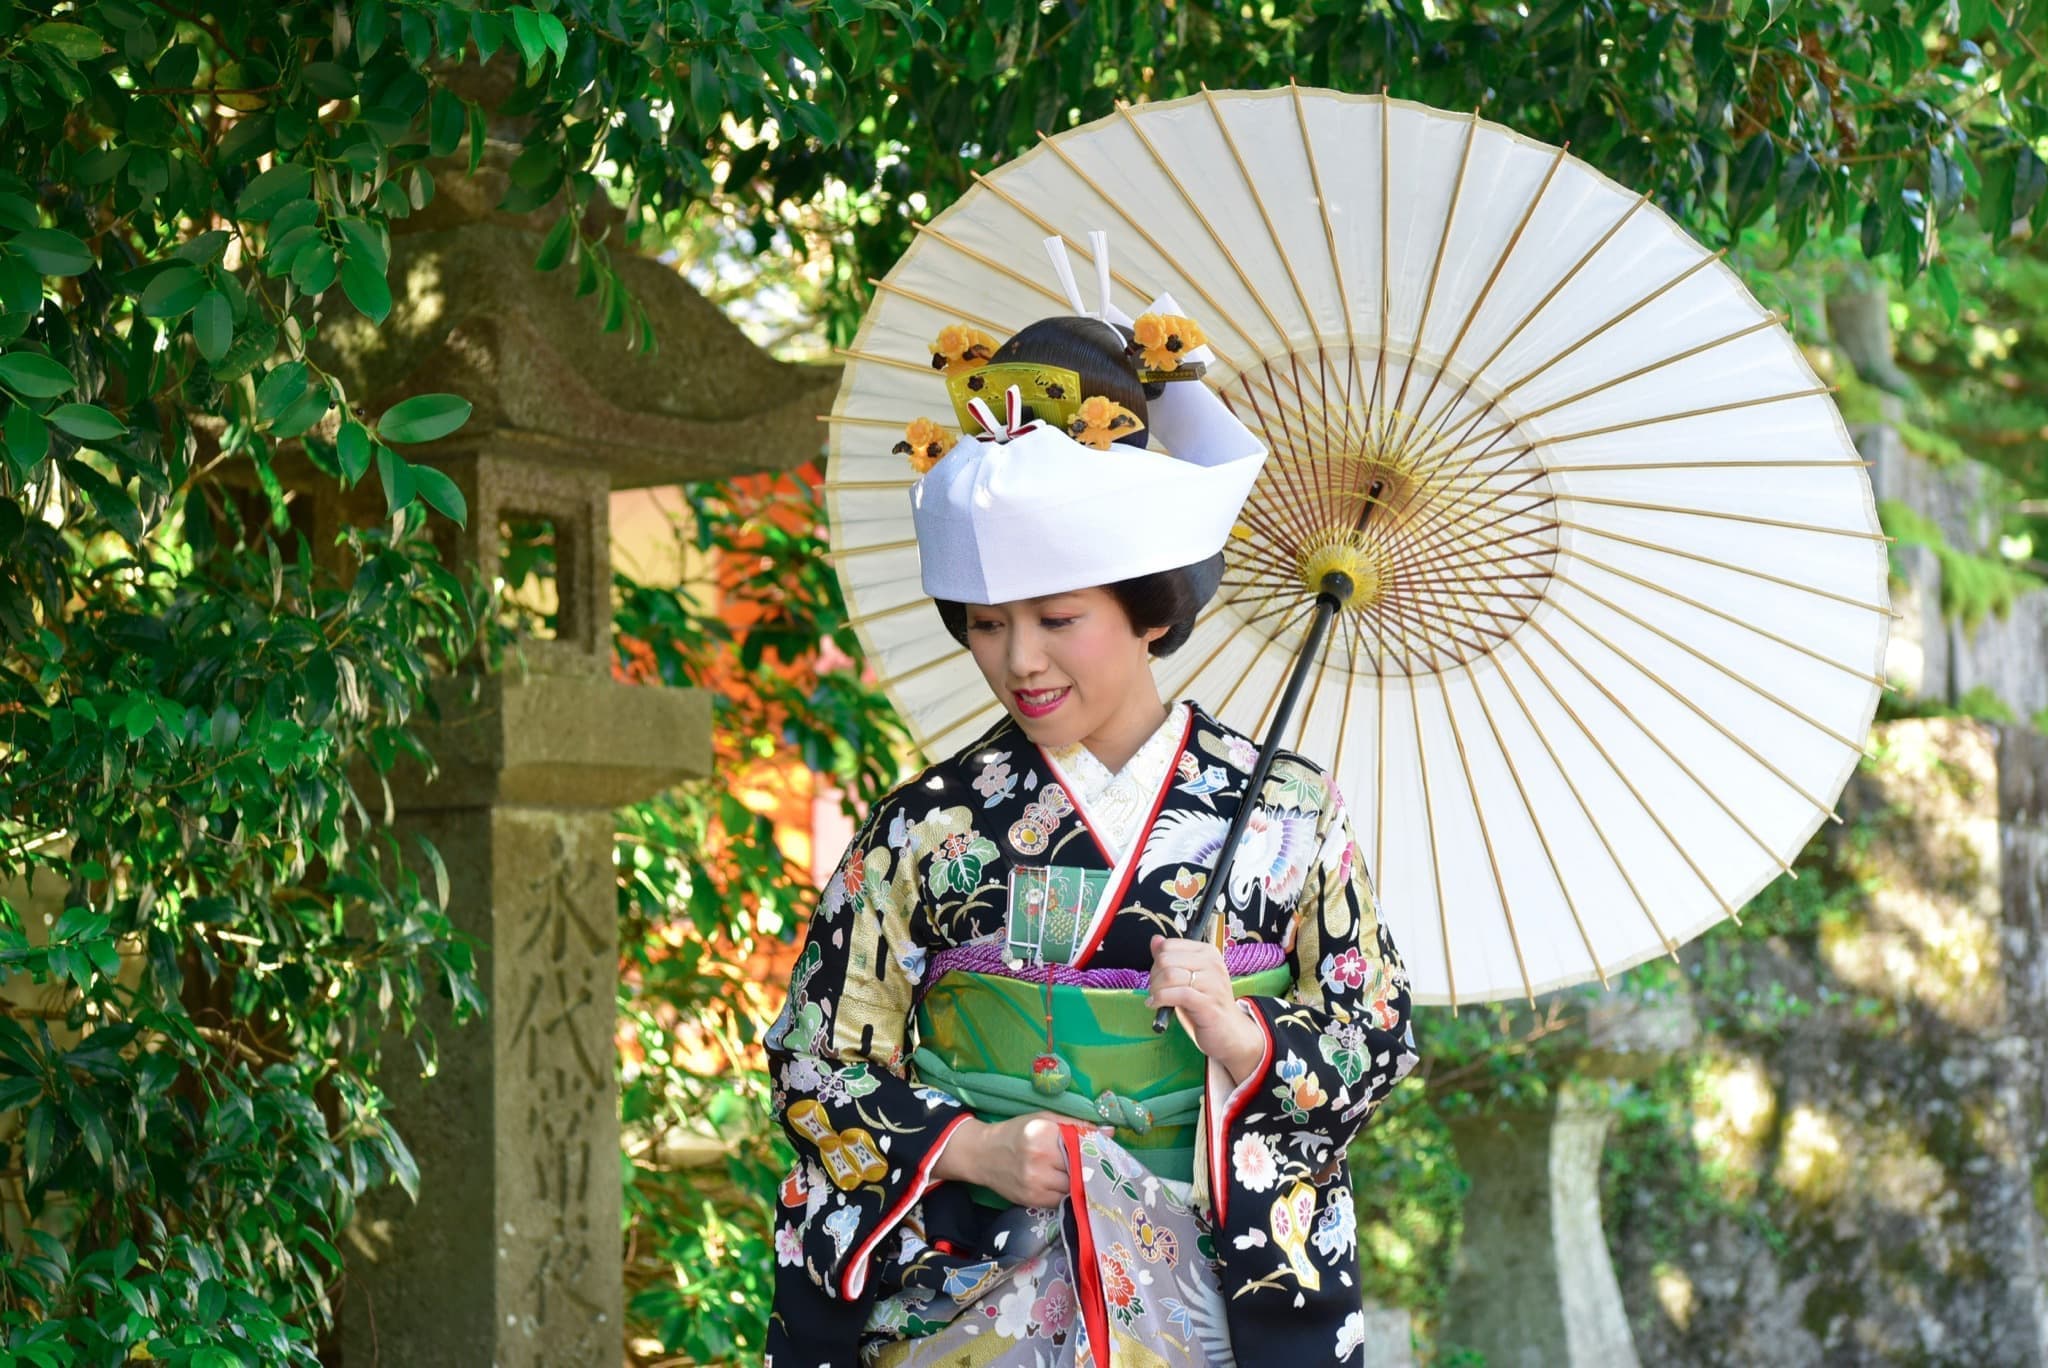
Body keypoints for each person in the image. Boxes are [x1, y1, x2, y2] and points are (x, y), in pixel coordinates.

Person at [764, 234, 1420, 1365]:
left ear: (1150, 610)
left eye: (1056, 618)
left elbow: (1376, 1032)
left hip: (1210, 1299)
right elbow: (815, 1058)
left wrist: (1240, 1031)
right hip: (978, 1297)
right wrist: (966, 1150)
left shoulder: (1285, 814)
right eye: (983, 623)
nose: (1017, 659)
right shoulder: (928, 827)